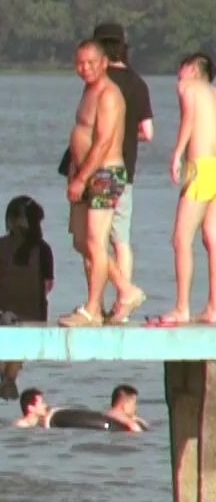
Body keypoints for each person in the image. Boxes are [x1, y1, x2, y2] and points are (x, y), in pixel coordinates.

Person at [63, 39, 144, 325]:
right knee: (83, 242)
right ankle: (125, 289)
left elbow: (103, 142)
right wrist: (75, 173)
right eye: (79, 63)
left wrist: (82, 177)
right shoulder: (89, 90)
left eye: (90, 63)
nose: (84, 69)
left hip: (105, 174)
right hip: (85, 173)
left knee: (97, 242)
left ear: (104, 63)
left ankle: (93, 308)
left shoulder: (109, 95)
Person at [94, 22, 155, 317]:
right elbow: (149, 132)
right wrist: (129, 134)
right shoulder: (138, 83)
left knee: (94, 239)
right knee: (121, 239)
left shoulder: (100, 82)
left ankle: (100, 301)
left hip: (101, 168)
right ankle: (124, 307)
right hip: (126, 169)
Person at [160, 52, 216, 326]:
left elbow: (189, 119)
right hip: (215, 167)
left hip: (201, 167)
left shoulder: (189, 86)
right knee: (212, 237)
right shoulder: (213, 93)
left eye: (181, 68)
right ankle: (213, 307)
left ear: (193, 69)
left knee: (181, 238)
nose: (177, 76)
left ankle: (182, 306)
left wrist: (177, 154)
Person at [0, 196, 54, 401]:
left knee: (0, 337)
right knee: (21, 338)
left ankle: (6, 380)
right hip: (34, 311)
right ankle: (9, 380)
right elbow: (48, 285)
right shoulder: (44, 248)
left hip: (1, 308)